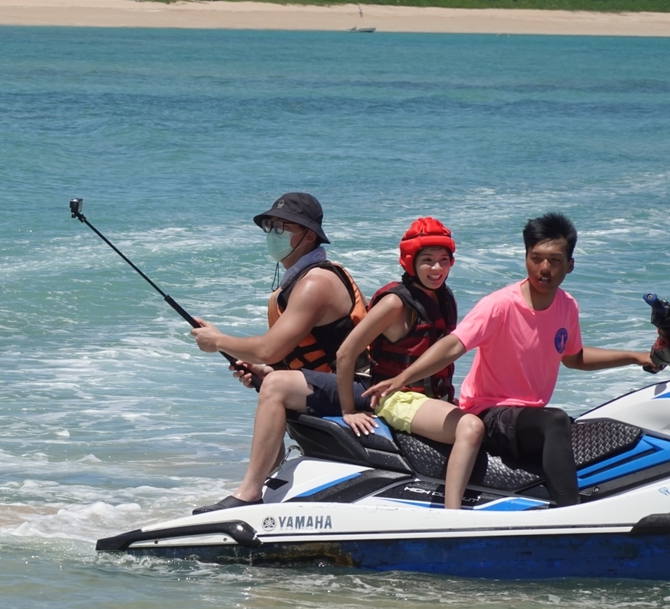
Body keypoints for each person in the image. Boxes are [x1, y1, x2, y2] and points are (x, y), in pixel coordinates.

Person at [365, 212, 659, 508]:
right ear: (526, 259)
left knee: (581, 429)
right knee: (556, 420)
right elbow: (454, 345)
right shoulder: (500, 304)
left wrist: (636, 357)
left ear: (569, 265)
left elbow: (574, 357)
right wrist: (403, 378)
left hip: (525, 419)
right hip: (489, 412)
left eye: (555, 260)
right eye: (536, 258)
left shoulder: (566, 306)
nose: (544, 268)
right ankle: (568, 513)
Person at [189, 192, 369, 514]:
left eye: (281, 227)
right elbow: (290, 358)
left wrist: (217, 341)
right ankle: (272, 479)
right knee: (270, 381)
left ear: (308, 235)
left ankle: (249, 493)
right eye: (269, 226)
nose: (272, 234)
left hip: (359, 388)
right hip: (336, 382)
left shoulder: (317, 282)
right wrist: (268, 372)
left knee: (276, 387)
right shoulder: (299, 279)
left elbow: (269, 348)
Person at [334, 217, 483, 509]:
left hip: (431, 399)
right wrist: (349, 410)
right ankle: (452, 518)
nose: (437, 269)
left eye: (444, 260)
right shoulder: (395, 304)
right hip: (396, 397)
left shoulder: (442, 297)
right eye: (427, 260)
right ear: (409, 261)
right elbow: (345, 353)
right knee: (471, 428)